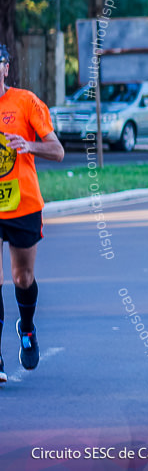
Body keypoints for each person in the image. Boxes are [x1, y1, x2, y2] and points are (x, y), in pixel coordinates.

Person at [0, 44, 64, 383]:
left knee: (21, 278)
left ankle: (26, 328)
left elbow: (58, 150)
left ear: (5, 68)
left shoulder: (26, 102)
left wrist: (30, 145)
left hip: (22, 203)